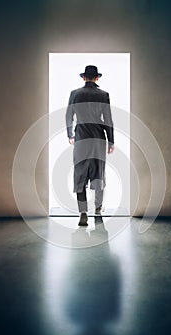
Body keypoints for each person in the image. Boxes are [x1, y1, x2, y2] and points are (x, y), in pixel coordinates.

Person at [66, 65, 114, 226]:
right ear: (97, 78)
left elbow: (69, 116)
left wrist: (70, 134)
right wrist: (111, 140)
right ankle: (98, 209)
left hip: (81, 137)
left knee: (80, 174)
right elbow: (108, 119)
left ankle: (83, 213)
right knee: (98, 172)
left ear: (83, 77)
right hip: (98, 138)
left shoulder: (75, 94)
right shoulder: (103, 95)